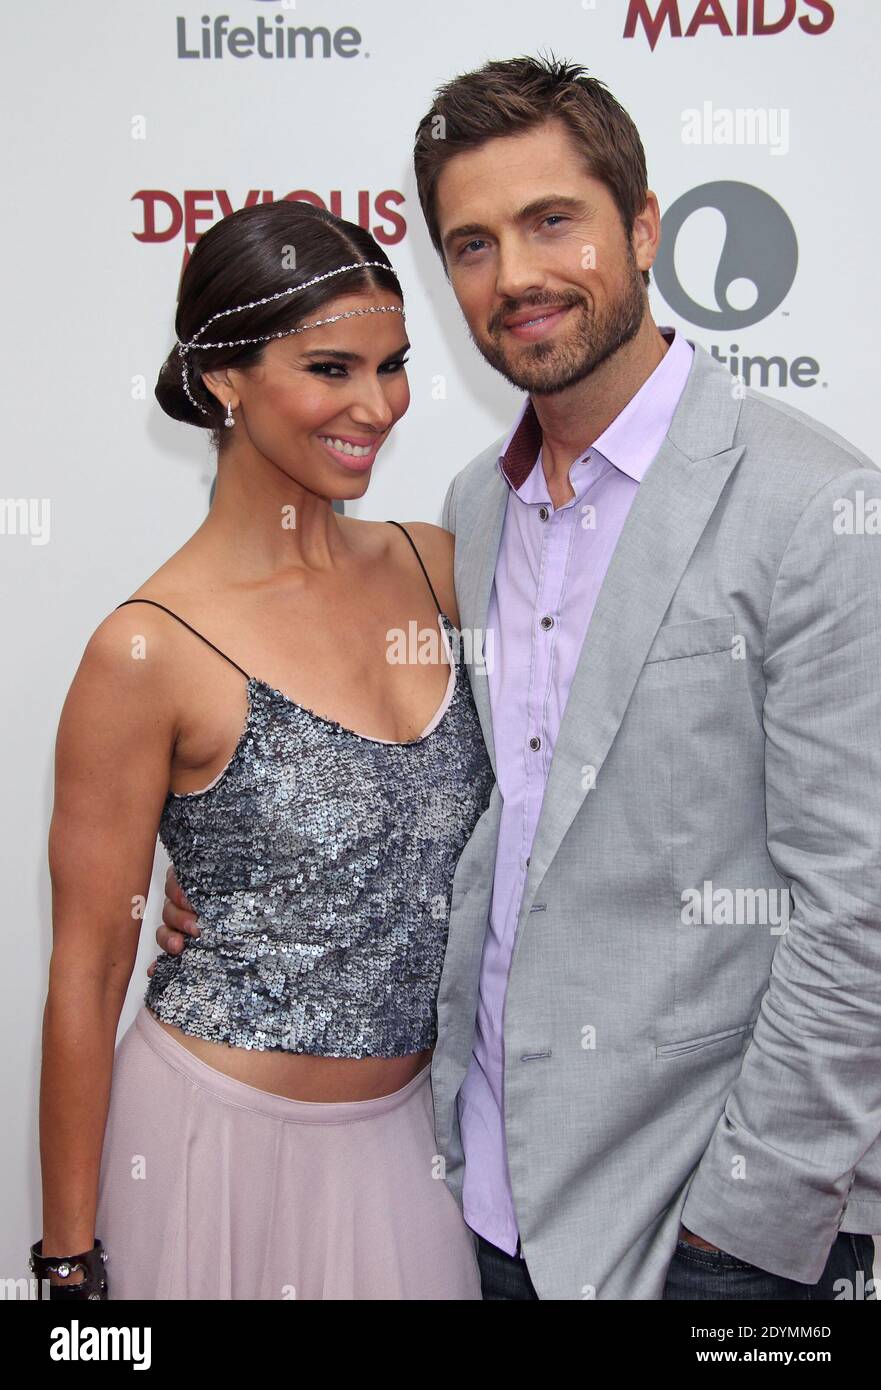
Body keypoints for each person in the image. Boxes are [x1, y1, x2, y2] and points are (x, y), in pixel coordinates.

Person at [163, 53, 881, 1301]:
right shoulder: (468, 516)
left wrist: (745, 1236)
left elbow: (856, 910)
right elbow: (472, 795)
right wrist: (244, 854)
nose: (516, 276)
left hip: (705, 1226)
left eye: (553, 221)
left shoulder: (812, 505)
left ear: (642, 226)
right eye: (473, 244)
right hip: (479, 1196)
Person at [32, 198, 494, 1300]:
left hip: (409, 1150)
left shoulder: (441, 564)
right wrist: (63, 1259)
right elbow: (88, 970)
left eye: (390, 368)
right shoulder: (146, 648)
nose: (374, 405)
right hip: (206, 1147)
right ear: (225, 379)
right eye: (330, 367)